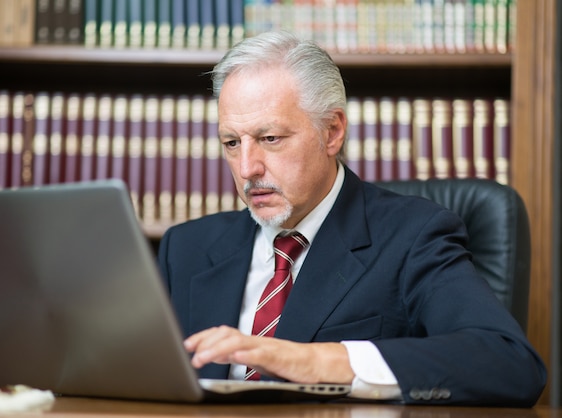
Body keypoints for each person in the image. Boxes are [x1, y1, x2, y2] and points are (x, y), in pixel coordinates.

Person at [156, 31, 546, 406]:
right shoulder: (185, 248)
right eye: (231, 142)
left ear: (332, 132)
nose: (246, 168)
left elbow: (509, 363)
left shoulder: (414, 235)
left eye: (270, 138)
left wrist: (314, 361)